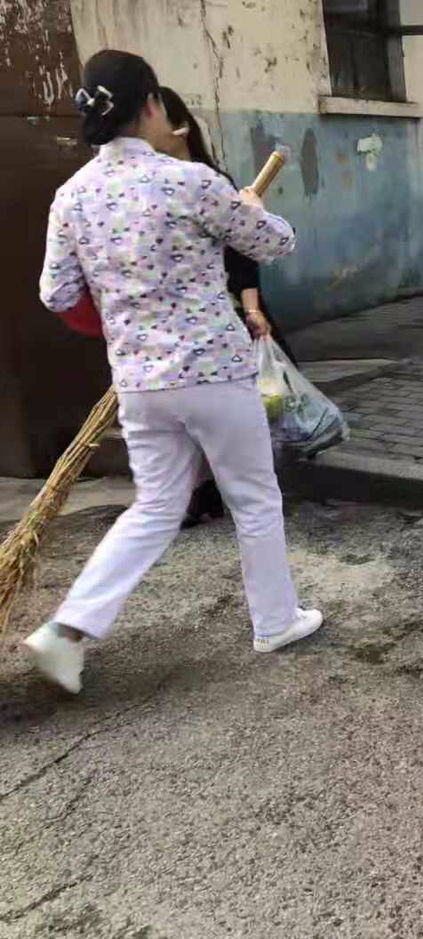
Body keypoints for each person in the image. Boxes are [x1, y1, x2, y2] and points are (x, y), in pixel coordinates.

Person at [28, 50, 322, 694]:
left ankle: (68, 629)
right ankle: (275, 621)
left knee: (156, 506)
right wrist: (249, 204)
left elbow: (57, 293)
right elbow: (277, 241)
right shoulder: (191, 181)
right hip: (213, 370)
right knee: (254, 497)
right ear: (152, 105)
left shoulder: (72, 196)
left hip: (139, 381)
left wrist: (119, 315)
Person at [156, 87, 297, 528]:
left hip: (226, 313)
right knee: (186, 418)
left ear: (179, 128)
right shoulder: (146, 187)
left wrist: (252, 310)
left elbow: (246, 253)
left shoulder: (209, 183)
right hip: (173, 330)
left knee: (248, 405)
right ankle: (202, 491)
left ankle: (243, 492)